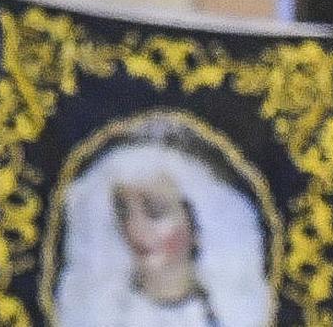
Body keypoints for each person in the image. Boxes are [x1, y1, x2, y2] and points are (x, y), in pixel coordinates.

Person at [52, 119, 275, 327]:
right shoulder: (98, 313)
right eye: (123, 211)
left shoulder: (235, 312)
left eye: (155, 211)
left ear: (199, 222)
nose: (134, 229)